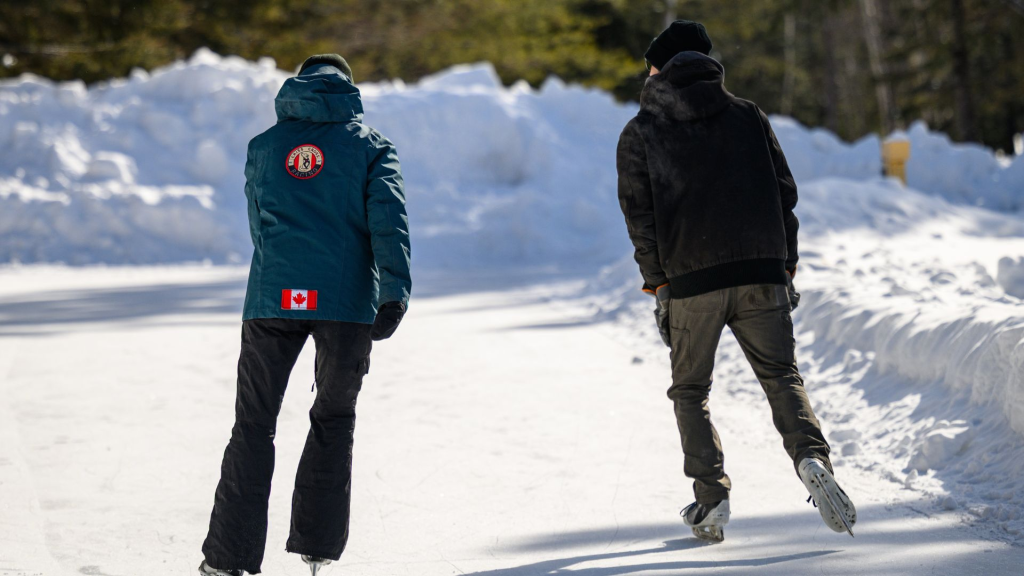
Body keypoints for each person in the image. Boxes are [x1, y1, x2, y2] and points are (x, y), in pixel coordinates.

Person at [615, 21, 856, 542]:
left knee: (691, 390)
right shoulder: (748, 116)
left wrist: (659, 288)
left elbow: (640, 217)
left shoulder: (641, 132)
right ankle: (812, 460)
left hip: (692, 281)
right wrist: (784, 265)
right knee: (780, 375)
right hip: (761, 271)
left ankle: (711, 499)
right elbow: (784, 193)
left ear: (660, 68)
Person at [199, 54, 411, 576]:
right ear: (347, 87)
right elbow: (388, 220)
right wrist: (394, 291)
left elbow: (259, 224)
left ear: (298, 85)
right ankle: (316, 551)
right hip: (345, 305)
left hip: (271, 301)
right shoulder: (371, 146)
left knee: (253, 425)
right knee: (333, 419)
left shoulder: (264, 147)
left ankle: (227, 561)